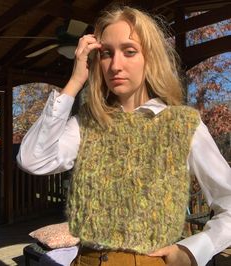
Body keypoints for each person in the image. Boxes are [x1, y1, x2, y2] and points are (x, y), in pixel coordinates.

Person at [17, 5, 231, 266]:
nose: (115, 65)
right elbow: (32, 159)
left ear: (150, 58)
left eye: (130, 51)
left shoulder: (182, 124)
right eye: (106, 54)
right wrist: (74, 82)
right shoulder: (88, 122)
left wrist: (192, 250)